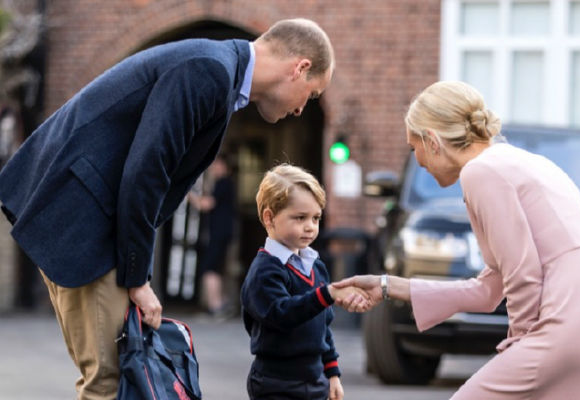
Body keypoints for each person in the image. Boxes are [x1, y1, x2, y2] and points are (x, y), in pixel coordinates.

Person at [0, 18, 334, 399]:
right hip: (85, 223)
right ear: (300, 67)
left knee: (115, 379)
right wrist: (137, 278)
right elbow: (147, 171)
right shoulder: (209, 69)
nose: (301, 110)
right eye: (311, 95)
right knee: (111, 383)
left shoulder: (217, 68)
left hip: (80, 216)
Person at [335, 81, 580, 399]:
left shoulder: (481, 172)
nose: (417, 159)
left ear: (433, 141)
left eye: (413, 147)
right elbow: (490, 288)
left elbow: (522, 274)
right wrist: (386, 285)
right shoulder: (527, 163)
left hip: (566, 325)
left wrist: (519, 346)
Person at [241, 164, 369, 400]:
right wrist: (326, 295)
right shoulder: (264, 271)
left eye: (316, 218)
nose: (310, 226)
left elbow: (323, 327)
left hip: (315, 380)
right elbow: (281, 315)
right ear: (269, 218)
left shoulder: (316, 266)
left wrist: (332, 374)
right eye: (300, 217)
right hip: (276, 382)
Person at [188, 155, 235, 316]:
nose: (213, 169)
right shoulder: (225, 183)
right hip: (221, 233)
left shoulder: (223, 182)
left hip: (218, 233)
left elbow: (205, 204)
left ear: (223, 166)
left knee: (209, 268)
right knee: (214, 268)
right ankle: (218, 303)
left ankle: (216, 306)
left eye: (216, 165)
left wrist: (187, 193)